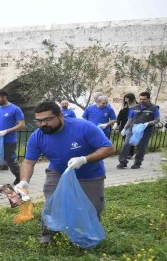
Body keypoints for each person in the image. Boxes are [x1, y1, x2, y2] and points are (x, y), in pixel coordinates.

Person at [15, 102, 115, 244]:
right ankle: (48, 235)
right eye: (39, 121)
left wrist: (84, 159)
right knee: (52, 203)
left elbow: (109, 148)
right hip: (58, 172)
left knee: (93, 207)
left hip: (90, 174)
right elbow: (28, 162)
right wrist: (23, 181)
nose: (43, 124)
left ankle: (87, 237)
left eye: (47, 120)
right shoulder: (37, 136)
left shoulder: (83, 127)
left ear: (61, 116)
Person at [0, 89, 24, 186]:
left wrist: (6, 131)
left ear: (4, 97)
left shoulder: (15, 109)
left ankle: (20, 177)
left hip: (9, 140)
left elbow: (21, 125)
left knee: (10, 160)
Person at [117, 91, 160, 169]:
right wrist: (124, 128)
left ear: (148, 99)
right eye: (140, 99)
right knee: (126, 144)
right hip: (132, 129)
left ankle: (137, 163)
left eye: (144, 99)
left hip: (146, 130)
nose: (141, 101)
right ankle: (123, 162)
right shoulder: (134, 107)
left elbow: (157, 120)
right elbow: (129, 119)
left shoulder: (154, 108)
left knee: (141, 147)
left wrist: (148, 123)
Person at [117, 93, 136, 158]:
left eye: (127, 99)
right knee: (125, 140)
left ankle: (130, 154)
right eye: (125, 99)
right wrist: (117, 123)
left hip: (132, 127)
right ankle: (127, 153)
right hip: (124, 126)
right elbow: (119, 117)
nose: (126, 101)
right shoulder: (124, 108)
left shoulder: (136, 108)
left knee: (130, 141)